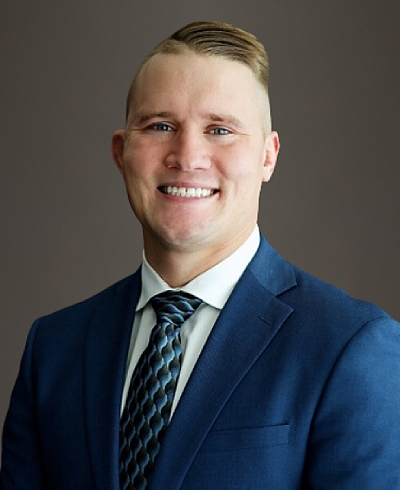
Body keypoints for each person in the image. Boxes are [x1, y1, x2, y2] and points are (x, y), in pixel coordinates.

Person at [1, 20, 400, 490]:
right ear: (121, 151)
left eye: (220, 130)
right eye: (161, 126)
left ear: (268, 156)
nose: (187, 156)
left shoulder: (350, 346)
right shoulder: (54, 348)